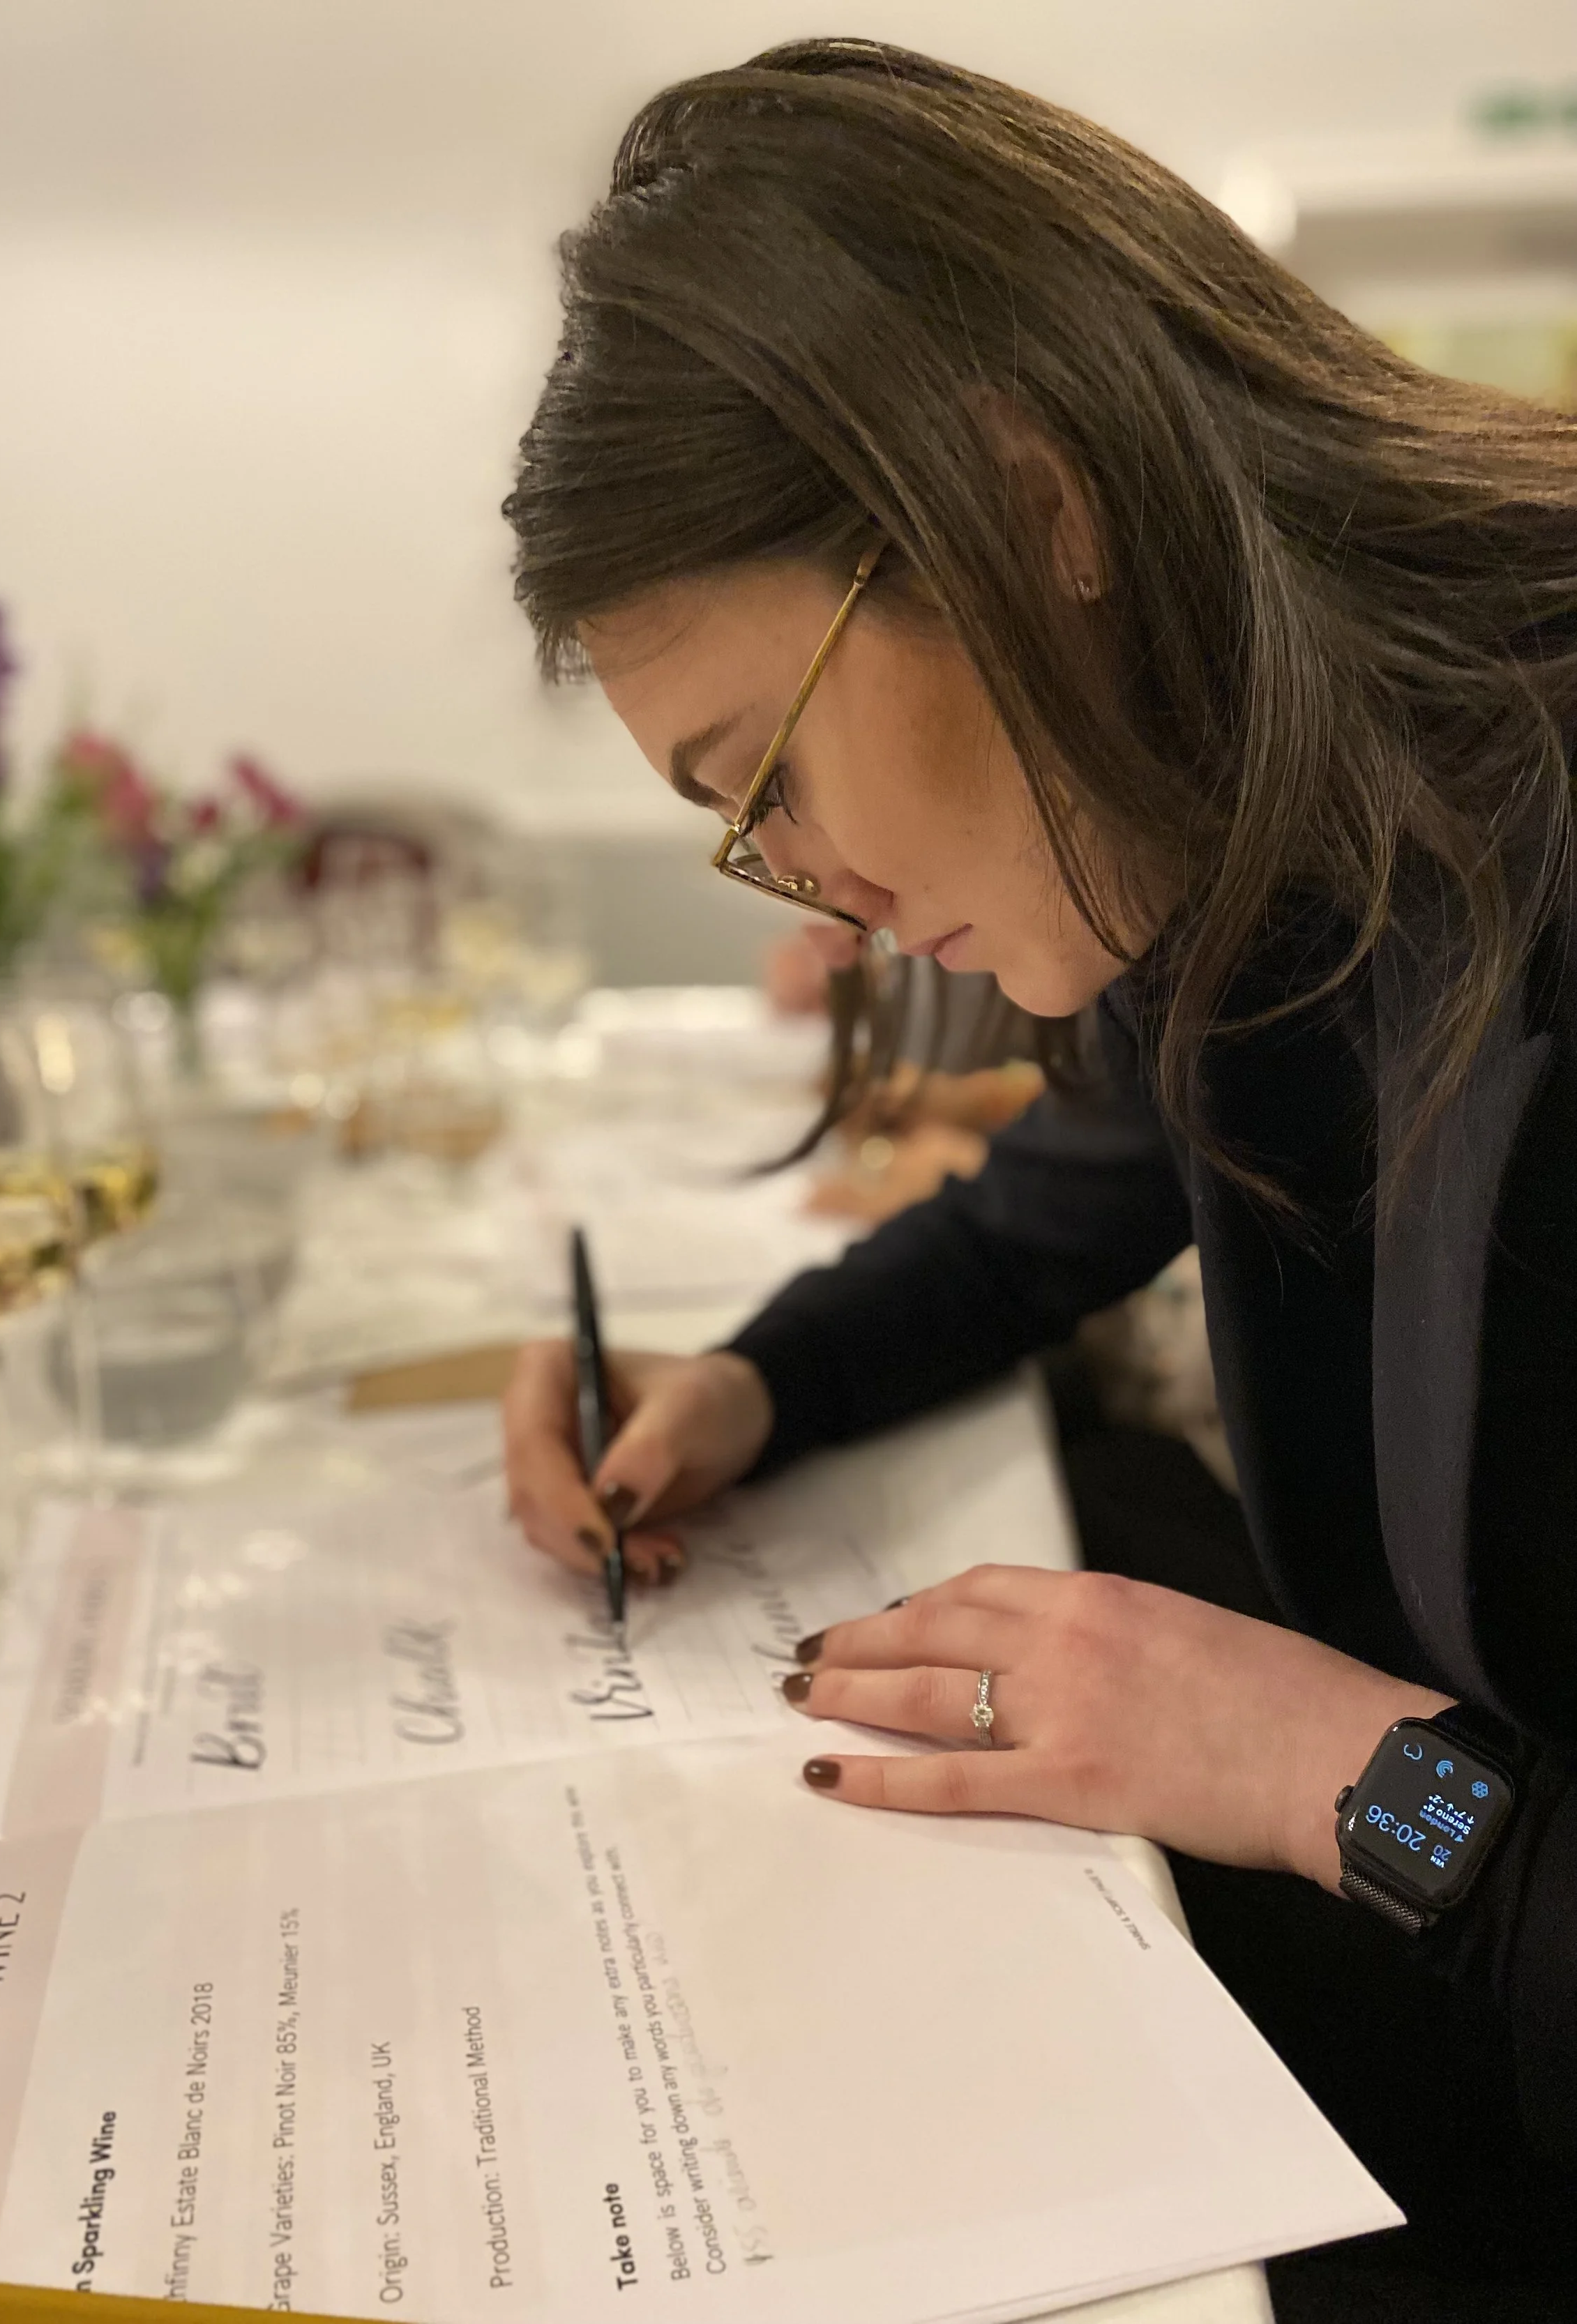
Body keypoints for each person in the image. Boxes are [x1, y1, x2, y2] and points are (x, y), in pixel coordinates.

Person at [498, 38, 1577, 2318]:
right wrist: (745, 1388)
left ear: (1028, 502)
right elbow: (1043, 1210)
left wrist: (1332, 1774)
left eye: (759, 773)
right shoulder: (1253, 880)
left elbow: (1433, 1829)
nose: (795, 882)